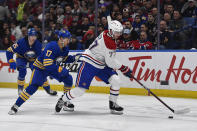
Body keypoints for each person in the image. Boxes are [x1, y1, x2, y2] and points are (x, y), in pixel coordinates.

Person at [55, 20, 132, 115]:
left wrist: (122, 68)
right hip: (89, 63)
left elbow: (108, 60)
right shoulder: (109, 42)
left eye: (119, 32)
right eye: (116, 32)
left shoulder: (106, 33)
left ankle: (113, 104)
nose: (118, 34)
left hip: (101, 63)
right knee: (80, 90)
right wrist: (124, 68)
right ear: (111, 31)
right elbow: (110, 62)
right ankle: (63, 100)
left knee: (116, 80)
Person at [8, 30, 80, 115]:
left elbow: (62, 58)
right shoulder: (52, 46)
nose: (69, 40)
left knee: (68, 79)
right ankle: (16, 105)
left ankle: (65, 101)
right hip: (40, 68)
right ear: (61, 39)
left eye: (69, 39)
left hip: (51, 67)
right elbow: (47, 64)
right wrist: (60, 70)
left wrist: (74, 58)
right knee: (33, 87)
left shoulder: (65, 48)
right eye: (67, 39)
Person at [6, 28, 57, 95]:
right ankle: (20, 89)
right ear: (28, 36)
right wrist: (11, 60)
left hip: (33, 60)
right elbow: (9, 51)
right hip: (21, 58)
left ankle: (48, 89)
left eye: (35, 36)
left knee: (40, 73)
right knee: (22, 71)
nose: (33, 38)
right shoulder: (21, 42)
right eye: (31, 36)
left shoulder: (38, 45)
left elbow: (43, 57)